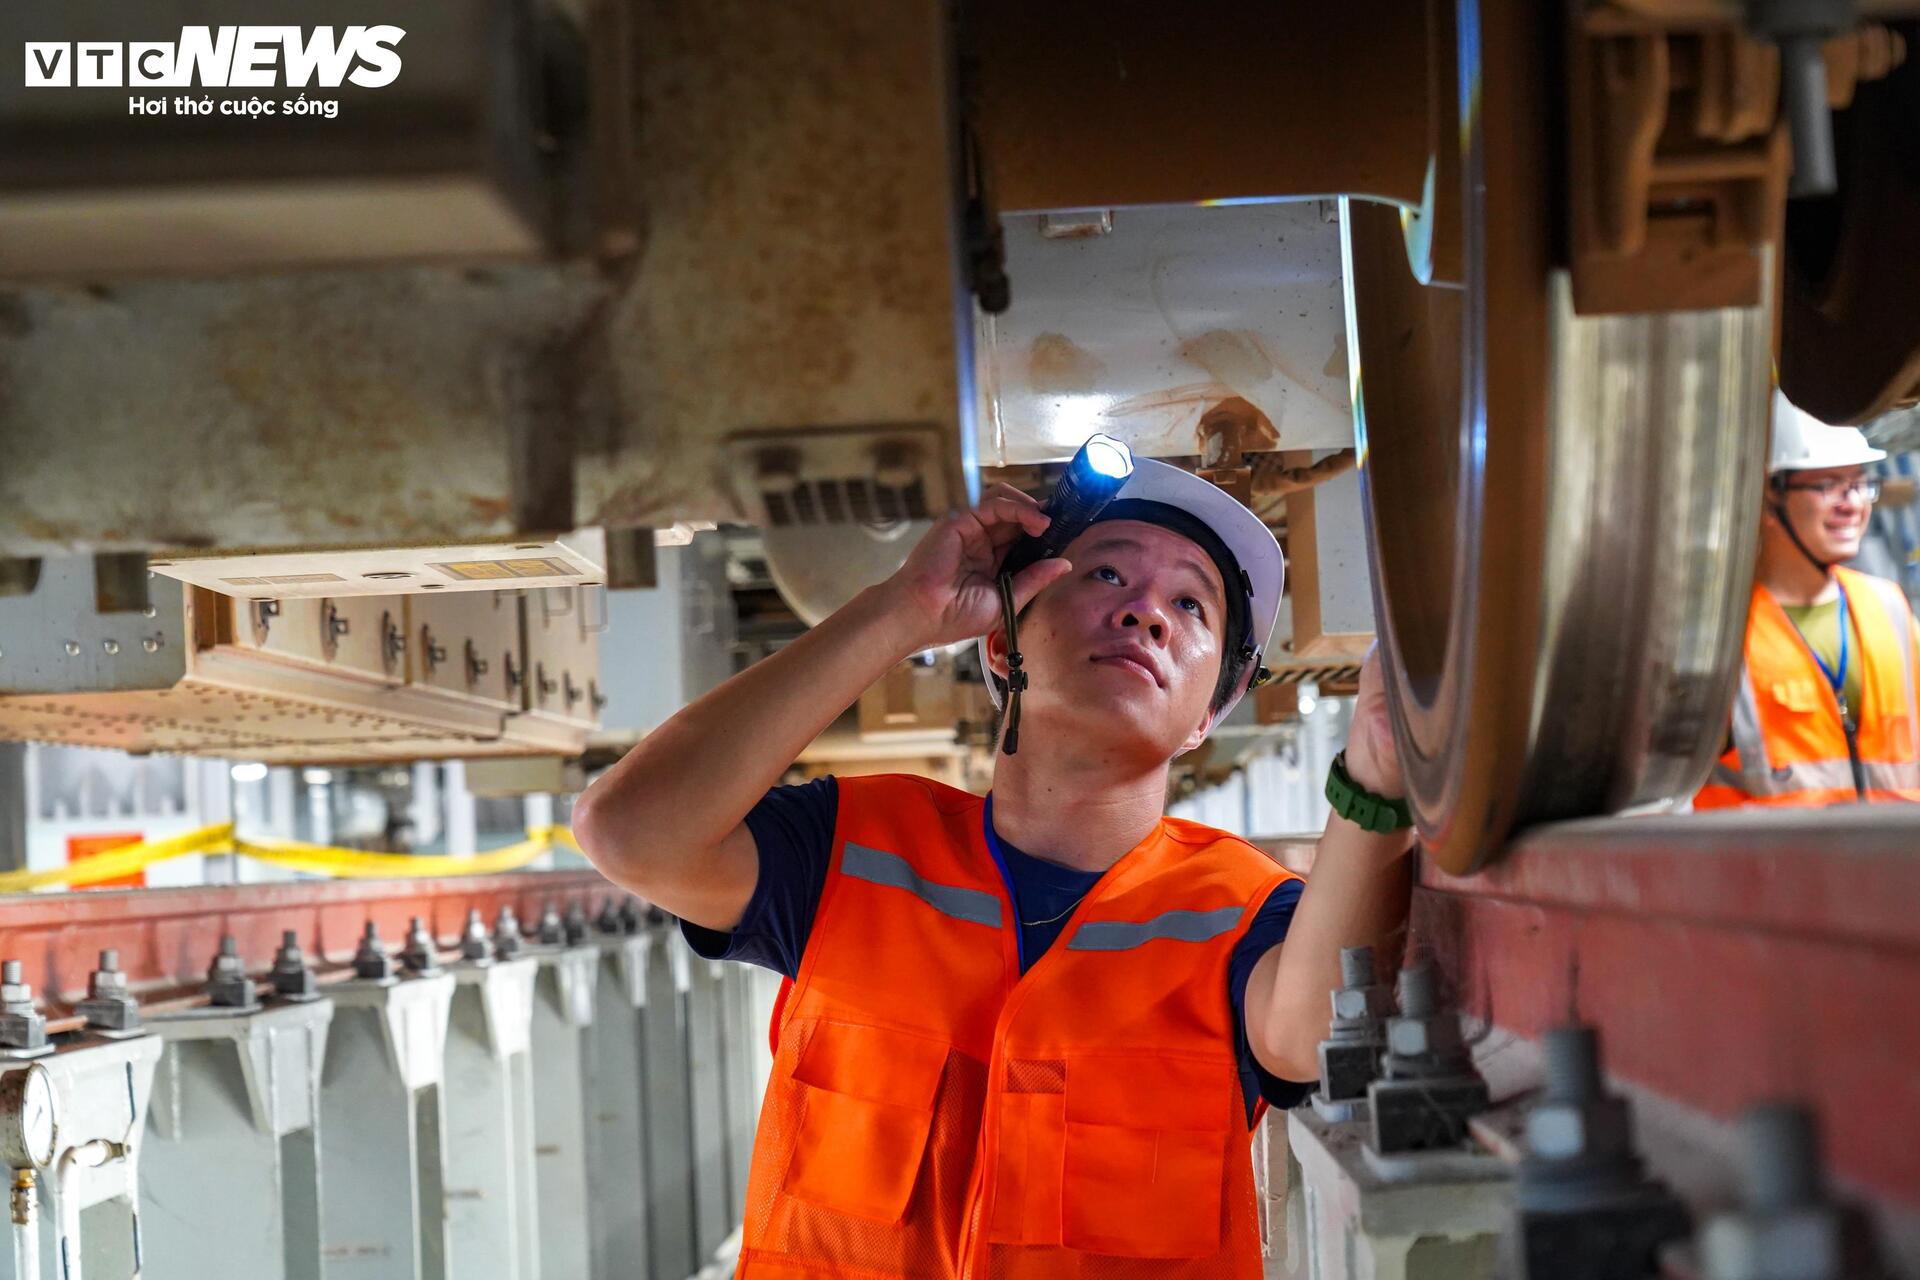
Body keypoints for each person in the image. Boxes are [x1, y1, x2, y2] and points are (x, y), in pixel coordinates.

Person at [574, 457, 1417, 1277]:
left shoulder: (1242, 914)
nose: (1148, 614)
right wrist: (900, 611)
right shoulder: (854, 849)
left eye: (1192, 604)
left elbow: (1317, 1035)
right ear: (1006, 650)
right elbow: (630, 831)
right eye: (1107, 578)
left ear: (1208, 716)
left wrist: (1379, 773)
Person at [1696, 390, 1920, 808]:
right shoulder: (1717, 633)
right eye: (1827, 484)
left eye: (1859, 483)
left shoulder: (1888, 607)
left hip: (1891, 868)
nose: (1852, 503)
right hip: (1765, 871)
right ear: (1767, 497)